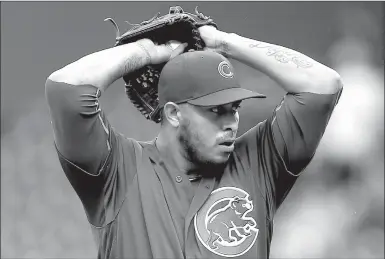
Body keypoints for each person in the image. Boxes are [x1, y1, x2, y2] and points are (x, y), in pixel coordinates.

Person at [45, 24, 343, 258]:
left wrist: (224, 43)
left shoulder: (258, 165)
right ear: (174, 113)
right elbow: (65, 89)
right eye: (215, 111)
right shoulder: (119, 171)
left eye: (234, 109)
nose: (230, 123)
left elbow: (323, 84)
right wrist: (145, 52)